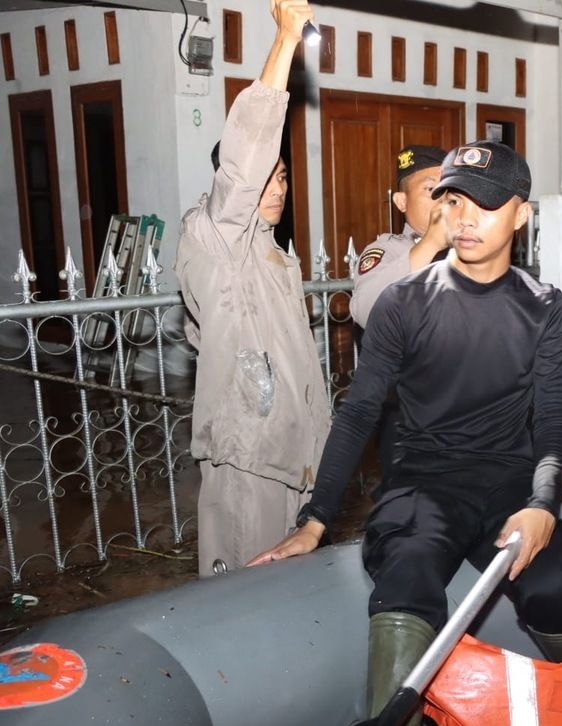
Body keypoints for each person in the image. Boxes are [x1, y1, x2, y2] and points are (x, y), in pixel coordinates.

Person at [249, 140, 562, 726]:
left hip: (507, 489)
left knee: (555, 591)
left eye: (486, 205)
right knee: (406, 582)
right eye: (454, 200)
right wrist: (314, 520)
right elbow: (358, 415)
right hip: (421, 487)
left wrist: (543, 505)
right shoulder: (404, 303)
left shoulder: (546, 307)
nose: (465, 218)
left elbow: (553, 420)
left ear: (519, 215)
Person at [174, 0, 329, 576]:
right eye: (266, 177)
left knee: (287, 590)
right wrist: (286, 42)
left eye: (283, 175)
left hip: (294, 458)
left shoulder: (273, 254)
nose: (276, 187)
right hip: (250, 460)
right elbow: (245, 160)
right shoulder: (213, 236)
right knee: (244, 588)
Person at [348, 144, 451, 328]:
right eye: (430, 190)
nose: (443, 200)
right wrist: (431, 244)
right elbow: (367, 313)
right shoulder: (388, 251)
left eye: (448, 191)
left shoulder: (466, 248)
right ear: (402, 201)